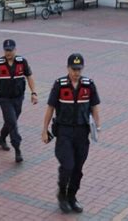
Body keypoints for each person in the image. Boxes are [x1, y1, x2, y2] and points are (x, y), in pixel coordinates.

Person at [41, 53, 101, 214]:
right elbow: (50, 108)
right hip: (64, 132)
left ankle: (72, 196)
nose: (76, 72)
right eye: (73, 69)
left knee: (78, 169)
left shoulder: (89, 85)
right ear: (67, 68)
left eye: (79, 69)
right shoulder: (59, 85)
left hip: (82, 132)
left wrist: (98, 126)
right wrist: (44, 130)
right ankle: (62, 194)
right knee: (67, 165)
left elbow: (94, 106)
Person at [0, 39, 37, 163]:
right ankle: (17, 149)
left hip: (18, 98)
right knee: (12, 122)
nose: (8, 52)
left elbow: (29, 76)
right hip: (4, 99)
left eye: (10, 50)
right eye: (6, 50)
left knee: (11, 121)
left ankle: (2, 138)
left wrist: (33, 93)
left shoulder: (22, 62)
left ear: (15, 50)